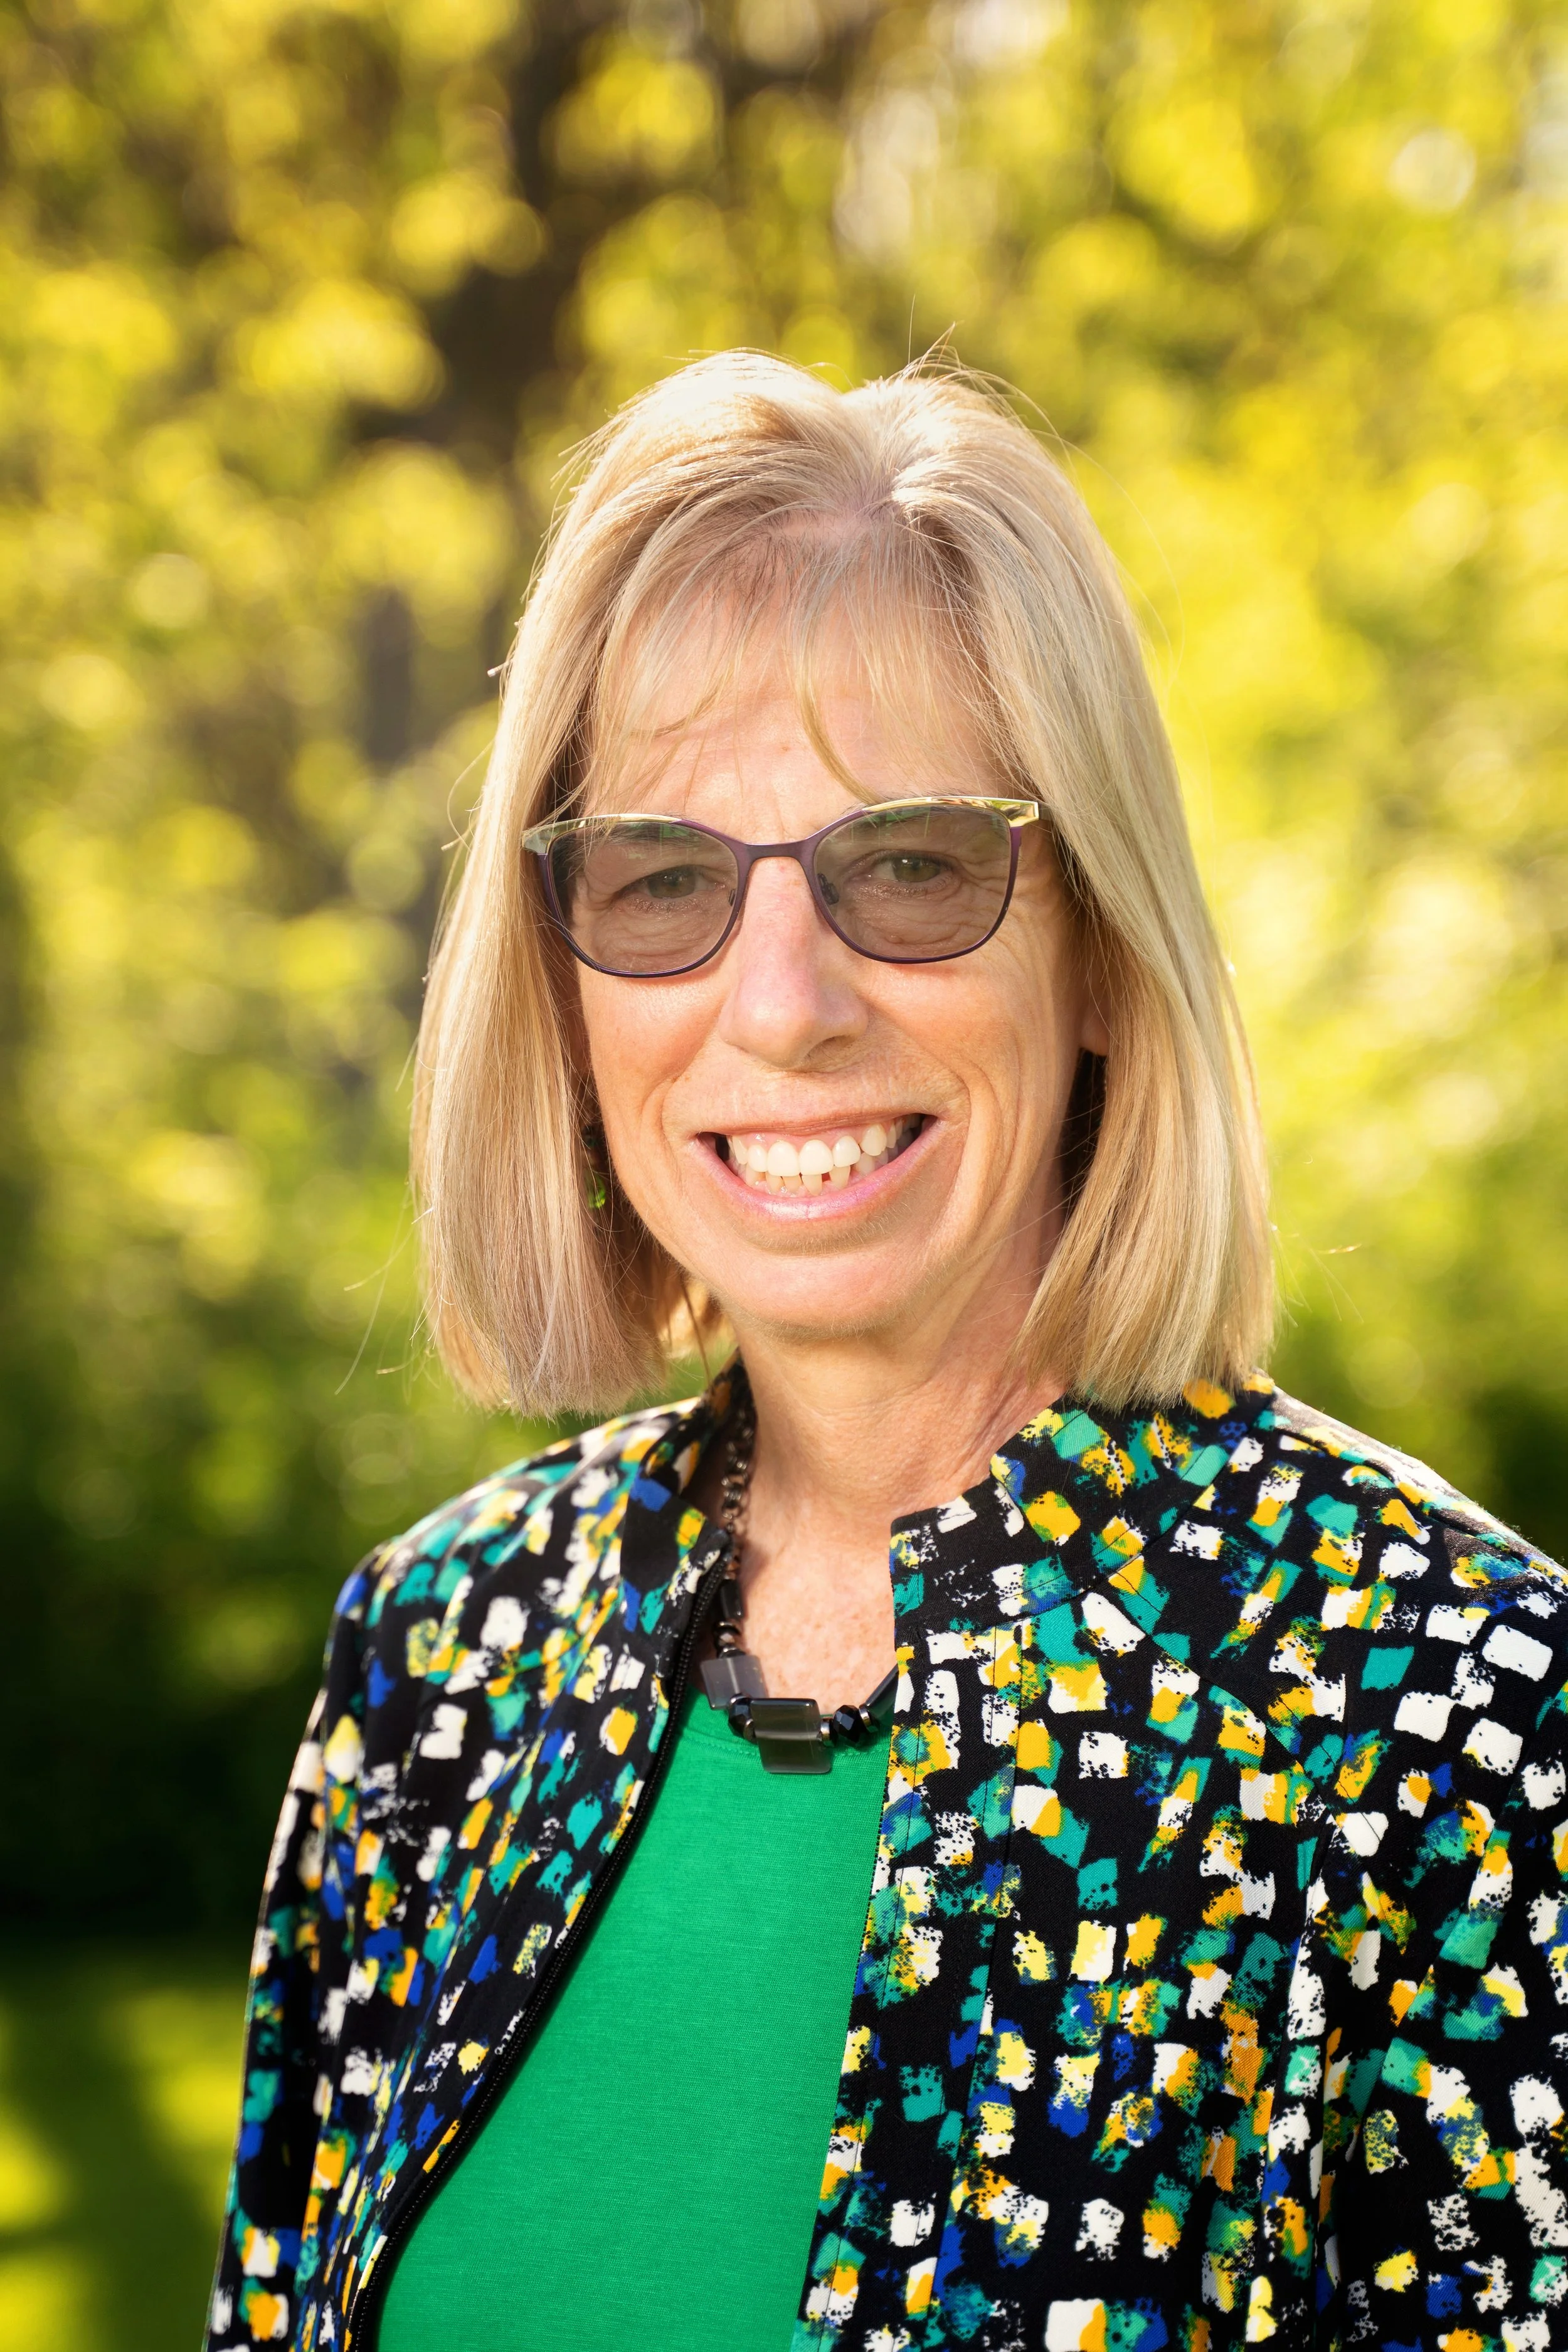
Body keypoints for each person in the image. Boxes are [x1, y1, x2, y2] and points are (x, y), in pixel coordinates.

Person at [206, 354, 1566, 2352]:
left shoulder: (1455, 1715)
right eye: (662, 879)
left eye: (910, 865)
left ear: (1098, 947)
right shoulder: (440, 1661)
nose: (782, 1005)